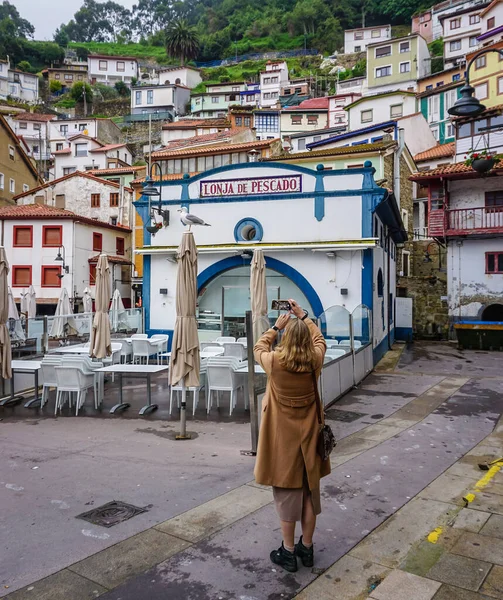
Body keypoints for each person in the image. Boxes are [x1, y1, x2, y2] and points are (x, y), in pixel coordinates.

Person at [253, 298, 330, 573]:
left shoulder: (275, 362)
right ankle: (306, 548)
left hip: (282, 438)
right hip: (309, 434)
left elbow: (258, 347)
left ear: (286, 336)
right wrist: (304, 316)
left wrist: (275, 326)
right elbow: (321, 340)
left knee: (287, 494)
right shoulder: (315, 361)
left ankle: (287, 551)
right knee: (310, 492)